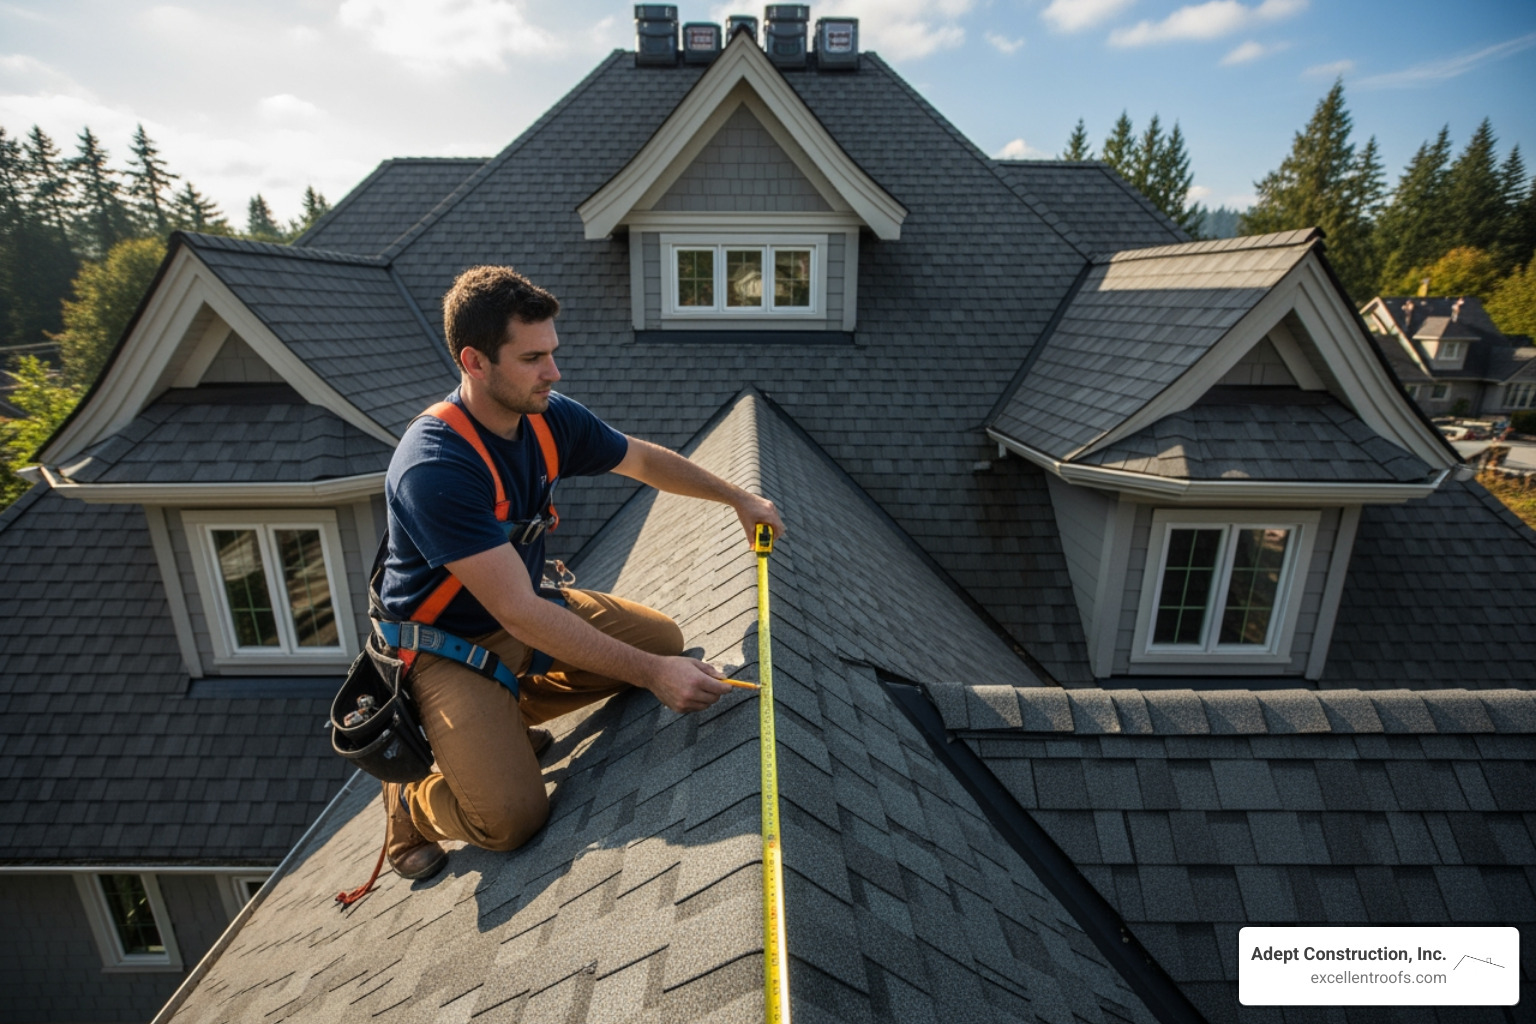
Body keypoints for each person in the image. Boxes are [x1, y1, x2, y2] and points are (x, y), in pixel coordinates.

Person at [377, 265, 785, 880]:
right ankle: (413, 799)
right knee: (511, 821)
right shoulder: (433, 467)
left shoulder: (547, 417)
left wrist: (738, 498)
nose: (554, 373)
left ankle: (500, 724)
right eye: (533, 357)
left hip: (518, 613)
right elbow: (519, 611)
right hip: (443, 648)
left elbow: (642, 459)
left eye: (553, 353)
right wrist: (653, 677)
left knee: (666, 642)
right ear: (475, 361)